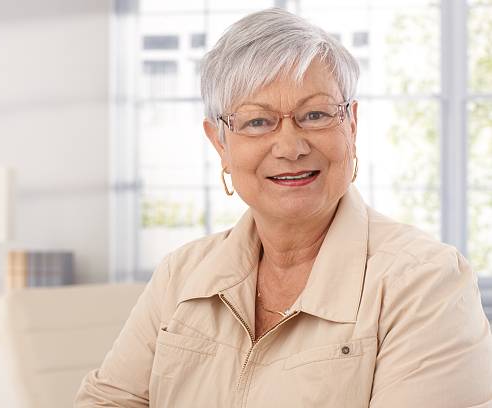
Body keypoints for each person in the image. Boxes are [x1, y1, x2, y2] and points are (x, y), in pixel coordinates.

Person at [75, 8, 492, 407]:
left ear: (352, 125)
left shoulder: (426, 283)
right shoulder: (180, 275)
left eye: (315, 114)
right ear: (220, 142)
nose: (291, 147)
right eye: (258, 121)